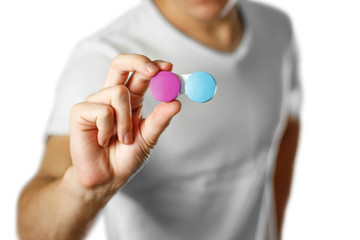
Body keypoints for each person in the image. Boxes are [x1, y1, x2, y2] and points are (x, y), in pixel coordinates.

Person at [17, 0, 302, 239]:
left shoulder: (277, 29)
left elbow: (285, 133)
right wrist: (86, 191)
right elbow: (33, 231)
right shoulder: (103, 61)